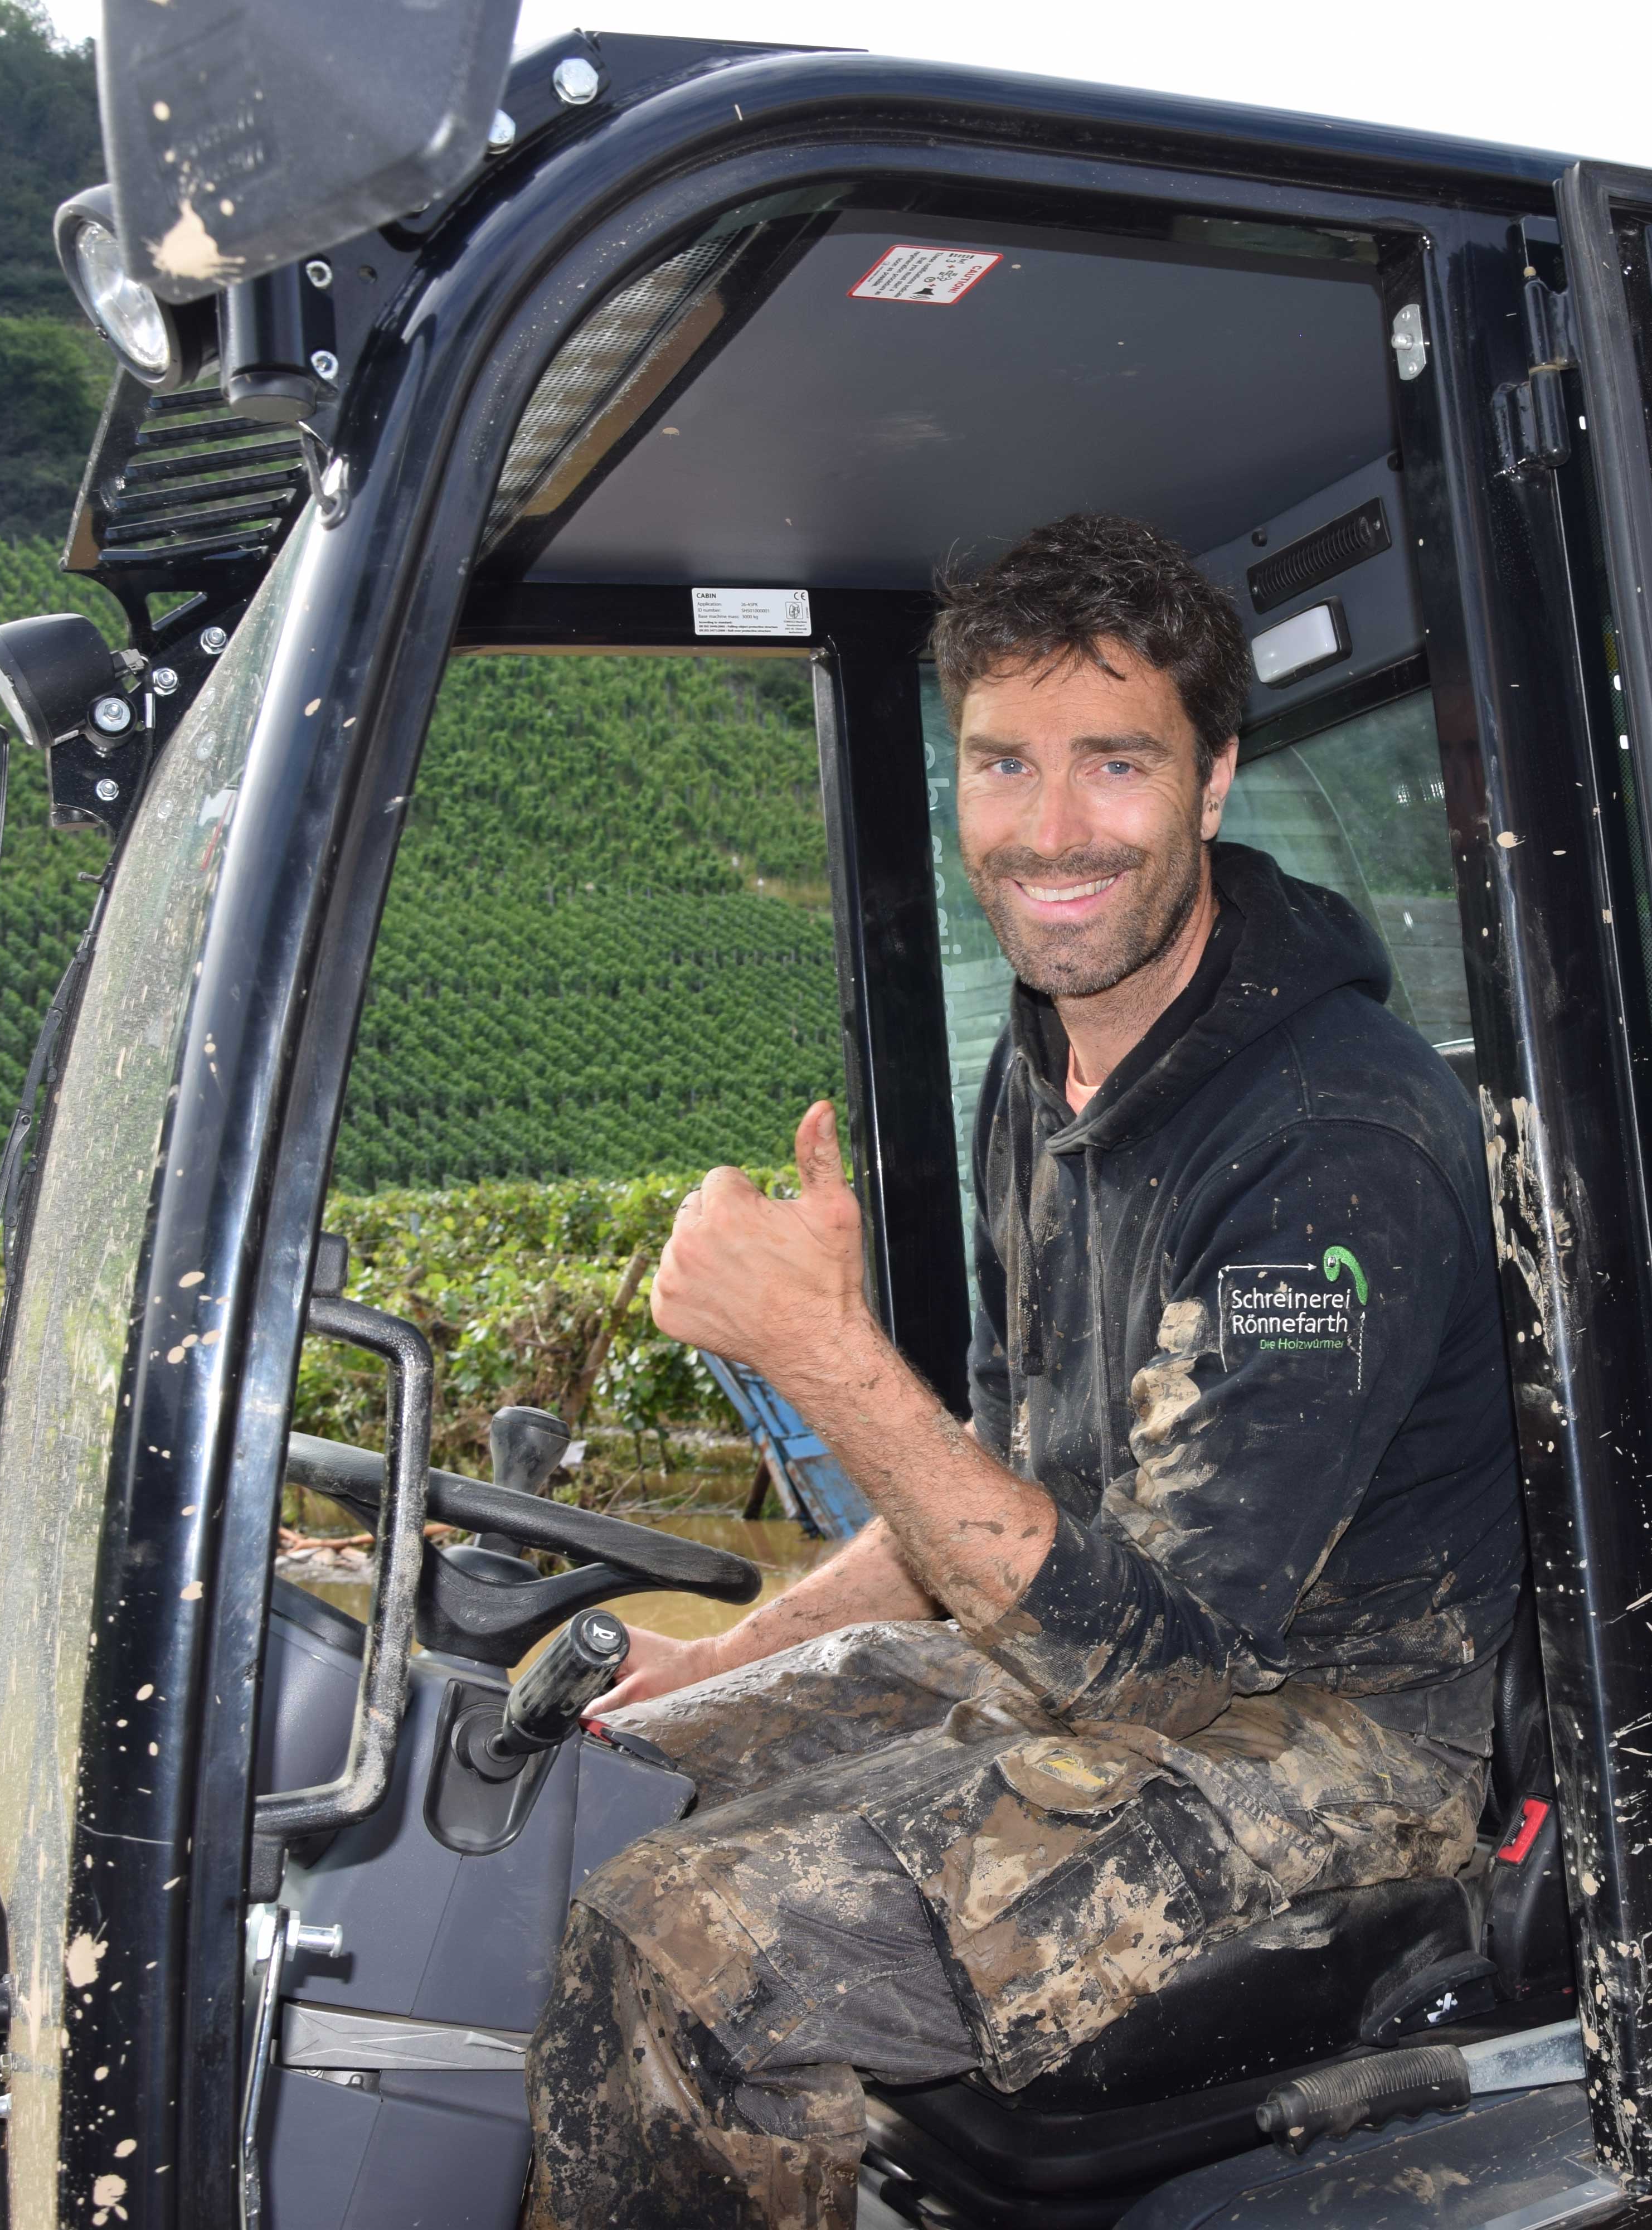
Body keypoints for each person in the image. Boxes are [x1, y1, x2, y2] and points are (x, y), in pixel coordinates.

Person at [522, 512, 1525, 2229]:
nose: (1050, 831)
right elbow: (1004, 1470)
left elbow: (1169, 1671)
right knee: (625, 1780)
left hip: (1339, 1740)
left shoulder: (1332, 1139)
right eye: (1004, 764)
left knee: (687, 1949)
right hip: (1097, 1650)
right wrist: (728, 1657)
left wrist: (826, 1357)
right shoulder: (1048, 1059)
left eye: (1115, 763)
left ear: (1213, 783)